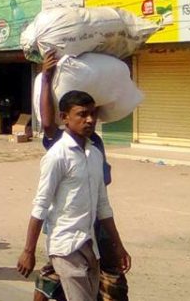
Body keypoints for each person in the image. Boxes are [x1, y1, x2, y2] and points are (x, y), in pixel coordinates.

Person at [31, 52, 129, 301]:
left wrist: (118, 245)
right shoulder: (58, 148)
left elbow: (104, 203)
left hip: (93, 226)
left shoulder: (94, 147)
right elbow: (48, 122)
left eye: (92, 114)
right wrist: (46, 79)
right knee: (65, 279)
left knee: (105, 283)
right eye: (83, 114)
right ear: (66, 117)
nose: (89, 119)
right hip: (67, 233)